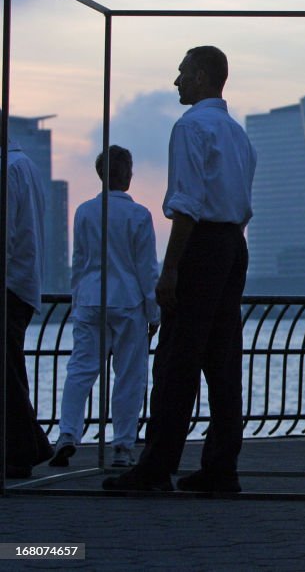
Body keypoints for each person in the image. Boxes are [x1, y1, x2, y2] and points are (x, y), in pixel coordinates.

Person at [103, 45, 256, 493]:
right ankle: (221, 467)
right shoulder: (237, 133)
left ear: (203, 77)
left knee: (175, 361)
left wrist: (169, 272)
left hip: (203, 245)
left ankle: (156, 466)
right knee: (223, 361)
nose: (177, 82)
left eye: (183, 73)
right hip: (233, 246)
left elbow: (186, 204)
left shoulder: (190, 127)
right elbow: (242, 205)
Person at [51, 146, 159, 469]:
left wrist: (77, 299)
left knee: (81, 370)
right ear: (128, 174)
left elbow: (79, 262)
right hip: (128, 302)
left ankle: (67, 433)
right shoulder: (140, 215)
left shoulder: (84, 212)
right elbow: (147, 270)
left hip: (90, 299)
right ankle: (122, 447)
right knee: (129, 376)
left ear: (100, 175)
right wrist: (154, 313)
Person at [3, 137, 54, 479]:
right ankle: (28, 446)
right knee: (11, 368)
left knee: (7, 372)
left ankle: (27, 447)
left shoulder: (7, 170)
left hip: (8, 281)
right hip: (23, 282)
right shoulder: (28, 167)